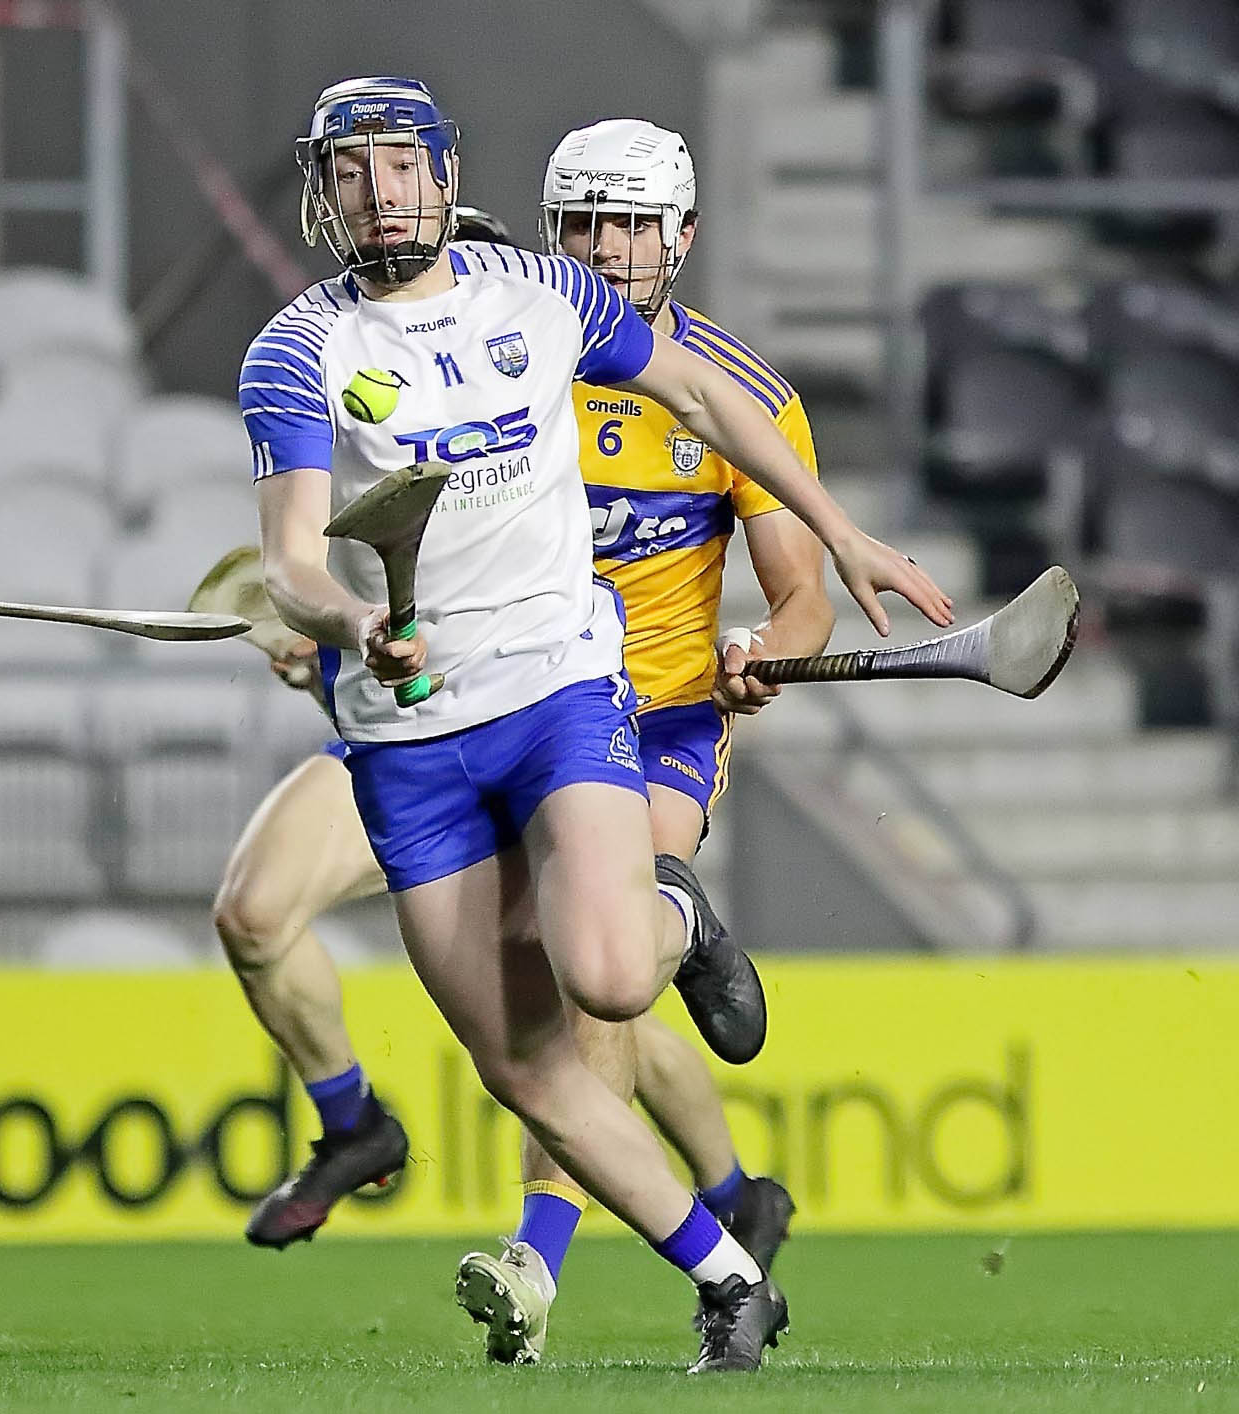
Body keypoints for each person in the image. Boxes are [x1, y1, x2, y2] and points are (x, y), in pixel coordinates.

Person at [241, 77, 951, 1373]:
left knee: (614, 979)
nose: (379, 193)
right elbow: (289, 556)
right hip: (407, 742)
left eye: (400, 165)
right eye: (351, 172)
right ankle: (731, 1275)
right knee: (525, 1064)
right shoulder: (294, 351)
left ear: (444, 175)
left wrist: (841, 532)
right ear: (322, 193)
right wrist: (345, 621)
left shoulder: (542, 296)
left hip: (563, 695)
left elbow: (710, 401)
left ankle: (677, 923)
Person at [454, 117, 827, 1364]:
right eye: (582, 224)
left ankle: (535, 1264)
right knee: (586, 977)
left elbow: (803, 594)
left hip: (658, 717)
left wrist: (763, 644)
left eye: (632, 224)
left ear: (682, 236)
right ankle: (729, 1200)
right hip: (509, 707)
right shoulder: (499, 368)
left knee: (586, 967)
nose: (607, 248)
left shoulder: (741, 395)